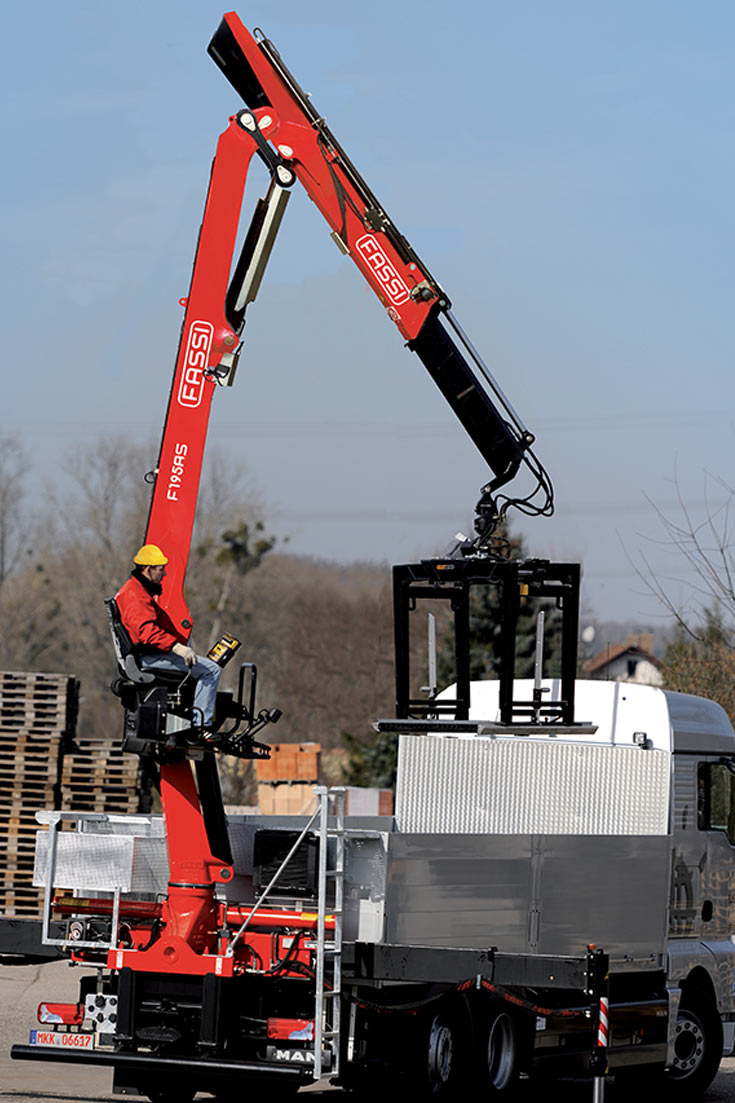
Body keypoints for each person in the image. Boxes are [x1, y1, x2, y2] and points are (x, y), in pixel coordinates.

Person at [115, 544, 221, 727]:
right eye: (161, 570)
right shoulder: (136, 596)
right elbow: (146, 632)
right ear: (148, 569)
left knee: (203, 666)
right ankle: (201, 727)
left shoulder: (135, 590)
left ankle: (194, 718)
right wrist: (177, 648)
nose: (164, 574)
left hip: (148, 655)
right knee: (211, 670)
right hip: (149, 658)